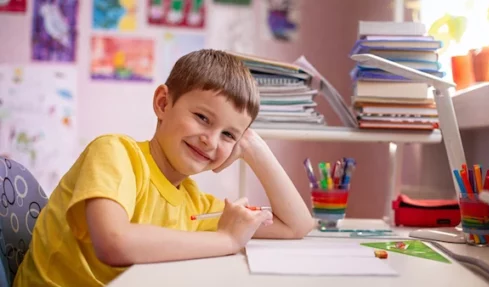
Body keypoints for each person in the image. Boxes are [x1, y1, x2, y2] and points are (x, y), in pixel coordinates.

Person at [13, 49, 315, 287]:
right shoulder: (115, 153)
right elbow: (114, 243)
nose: (210, 141)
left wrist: (254, 148)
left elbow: (296, 226)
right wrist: (226, 240)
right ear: (162, 103)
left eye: (228, 135)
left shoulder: (194, 204)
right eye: (203, 117)